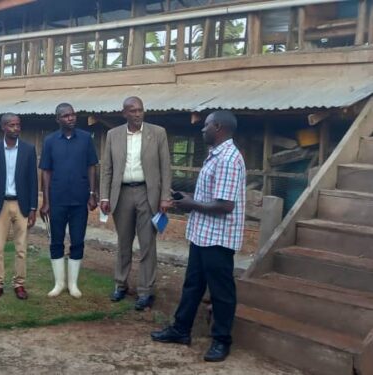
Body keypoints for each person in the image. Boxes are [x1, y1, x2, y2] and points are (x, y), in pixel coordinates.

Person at [150, 110, 246, 362]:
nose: (201, 130)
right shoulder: (215, 155)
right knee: (192, 285)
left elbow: (225, 205)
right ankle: (181, 329)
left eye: (205, 126)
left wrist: (191, 205)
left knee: (221, 292)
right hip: (202, 235)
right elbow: (210, 197)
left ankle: (222, 340)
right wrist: (187, 199)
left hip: (218, 238)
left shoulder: (228, 159)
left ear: (218, 127)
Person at [100, 96, 172, 310]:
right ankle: (120, 285)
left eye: (140, 110)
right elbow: (107, 168)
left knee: (147, 243)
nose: (138, 114)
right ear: (124, 113)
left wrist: (165, 197)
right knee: (123, 242)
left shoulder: (157, 133)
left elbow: (166, 167)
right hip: (121, 195)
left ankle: (145, 291)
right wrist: (105, 196)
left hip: (147, 193)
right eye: (133, 111)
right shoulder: (113, 135)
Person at [39, 103, 99, 298]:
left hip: (80, 200)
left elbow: (92, 166)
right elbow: (46, 172)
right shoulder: (49, 141)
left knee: (77, 240)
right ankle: (59, 283)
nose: (70, 118)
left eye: (73, 115)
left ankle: (73, 285)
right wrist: (46, 201)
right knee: (56, 241)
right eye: (65, 116)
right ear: (58, 119)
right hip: (57, 200)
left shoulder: (85, 139)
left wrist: (92, 193)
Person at [0, 113, 38, 300]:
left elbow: (33, 181)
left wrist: (33, 208)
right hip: (0, 204)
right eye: (12, 125)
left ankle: (19, 284)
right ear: (3, 127)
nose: (16, 128)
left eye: (18, 125)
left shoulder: (29, 149)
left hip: (22, 205)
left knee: (21, 247)